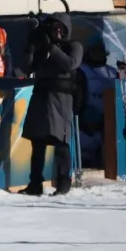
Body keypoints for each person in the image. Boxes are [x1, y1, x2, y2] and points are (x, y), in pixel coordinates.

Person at [19, 12, 83, 196]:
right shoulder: (43, 47)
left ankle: (63, 182)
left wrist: (51, 48)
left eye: (61, 29)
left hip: (61, 100)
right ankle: (35, 183)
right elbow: (27, 67)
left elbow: (70, 64)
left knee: (61, 143)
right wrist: (31, 46)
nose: (58, 33)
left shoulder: (74, 46)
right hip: (41, 97)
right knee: (37, 143)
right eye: (54, 29)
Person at [76, 37, 119, 168]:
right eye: (94, 51)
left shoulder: (112, 72)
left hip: (111, 121)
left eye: (100, 51)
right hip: (87, 123)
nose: (97, 54)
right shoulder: (81, 71)